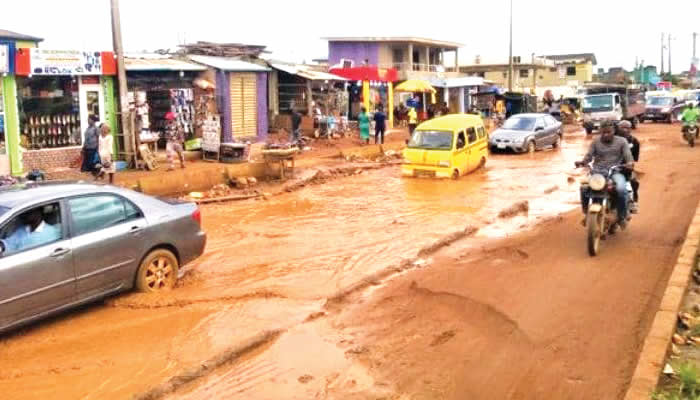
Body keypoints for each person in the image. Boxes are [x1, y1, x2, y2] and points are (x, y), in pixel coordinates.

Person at [575, 121, 634, 229]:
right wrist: (583, 162)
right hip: (597, 172)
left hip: (615, 171)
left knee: (621, 190)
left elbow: (628, 156)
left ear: (614, 131)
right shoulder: (595, 142)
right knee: (584, 188)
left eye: (608, 132)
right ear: (600, 132)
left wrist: (629, 163)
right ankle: (586, 213)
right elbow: (589, 156)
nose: (606, 134)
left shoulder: (622, 141)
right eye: (603, 132)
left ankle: (621, 217)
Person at [615, 120, 640, 213]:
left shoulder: (634, 142)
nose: (625, 130)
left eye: (627, 128)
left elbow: (635, 159)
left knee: (633, 182)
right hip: (611, 166)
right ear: (618, 128)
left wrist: (628, 165)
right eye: (623, 127)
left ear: (630, 129)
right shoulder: (612, 139)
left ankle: (633, 202)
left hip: (626, 168)